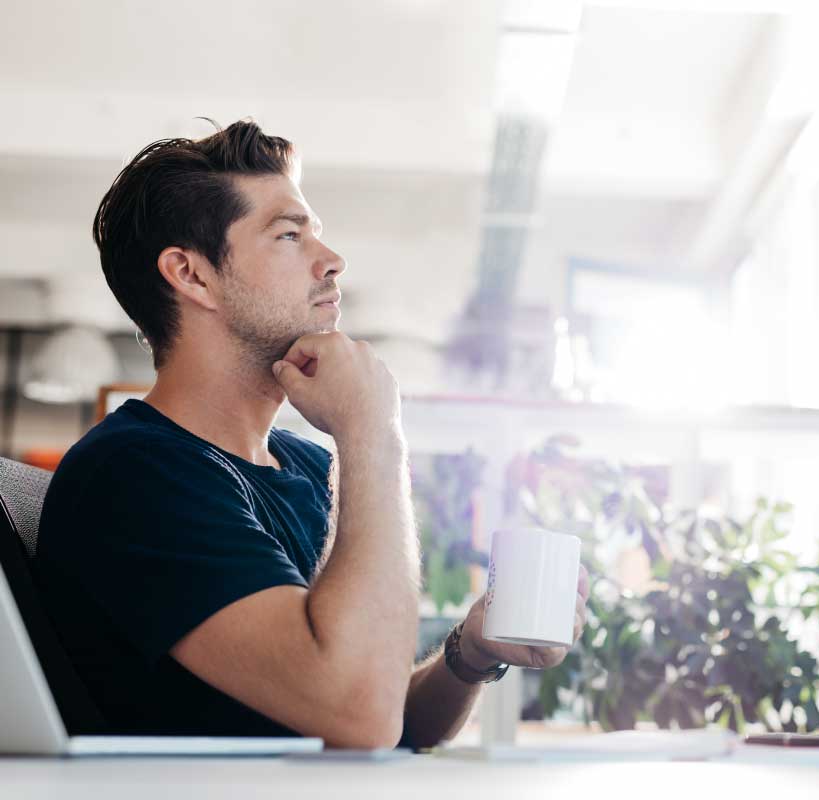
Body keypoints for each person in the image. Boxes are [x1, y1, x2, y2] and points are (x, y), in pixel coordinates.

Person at [34, 120, 588, 749]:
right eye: (290, 235)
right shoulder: (134, 475)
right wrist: (373, 429)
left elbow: (383, 712)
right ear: (192, 275)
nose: (332, 261)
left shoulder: (302, 463)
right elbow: (359, 716)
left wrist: (471, 653)